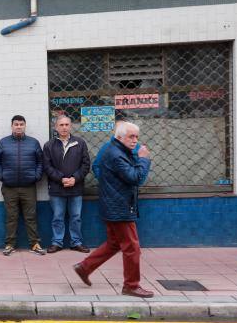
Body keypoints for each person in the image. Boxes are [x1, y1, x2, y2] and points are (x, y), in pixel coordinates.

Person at [72, 121, 154, 298]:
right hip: (119, 207)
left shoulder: (118, 151)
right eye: (131, 136)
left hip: (115, 204)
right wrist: (144, 160)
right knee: (132, 247)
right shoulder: (116, 154)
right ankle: (131, 286)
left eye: (136, 137)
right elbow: (135, 177)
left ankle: (84, 268)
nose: (135, 140)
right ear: (119, 137)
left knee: (115, 243)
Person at [0, 115, 45, 256]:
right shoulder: (3, 143)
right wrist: (2, 176)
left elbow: (41, 162)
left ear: (25, 126)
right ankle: (9, 245)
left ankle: (34, 244)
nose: (19, 126)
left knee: (31, 216)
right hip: (9, 187)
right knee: (11, 217)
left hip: (29, 187)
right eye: (16, 124)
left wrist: (36, 176)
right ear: (12, 126)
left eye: (21, 124)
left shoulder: (33, 143)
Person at [42, 115, 91, 254]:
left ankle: (76, 242)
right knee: (58, 216)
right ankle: (57, 242)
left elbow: (86, 164)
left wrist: (75, 178)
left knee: (76, 217)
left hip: (76, 188)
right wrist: (61, 178)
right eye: (61, 125)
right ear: (56, 127)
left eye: (67, 125)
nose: (64, 127)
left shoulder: (80, 143)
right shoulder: (49, 145)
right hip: (57, 188)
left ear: (71, 126)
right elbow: (47, 166)